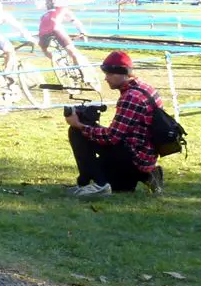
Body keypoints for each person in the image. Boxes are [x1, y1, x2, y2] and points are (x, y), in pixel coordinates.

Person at [64, 50, 164, 199]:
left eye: (109, 74)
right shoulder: (145, 88)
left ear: (122, 73)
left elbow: (111, 137)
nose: (106, 78)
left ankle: (99, 185)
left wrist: (79, 125)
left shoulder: (130, 97)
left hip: (132, 158)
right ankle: (148, 175)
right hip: (144, 157)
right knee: (119, 186)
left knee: (76, 132)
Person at [37, 0, 88, 66]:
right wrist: (82, 32)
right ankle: (77, 66)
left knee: (44, 50)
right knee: (70, 49)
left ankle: (59, 63)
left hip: (43, 32)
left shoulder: (43, 15)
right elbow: (75, 21)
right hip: (56, 29)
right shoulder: (63, 9)